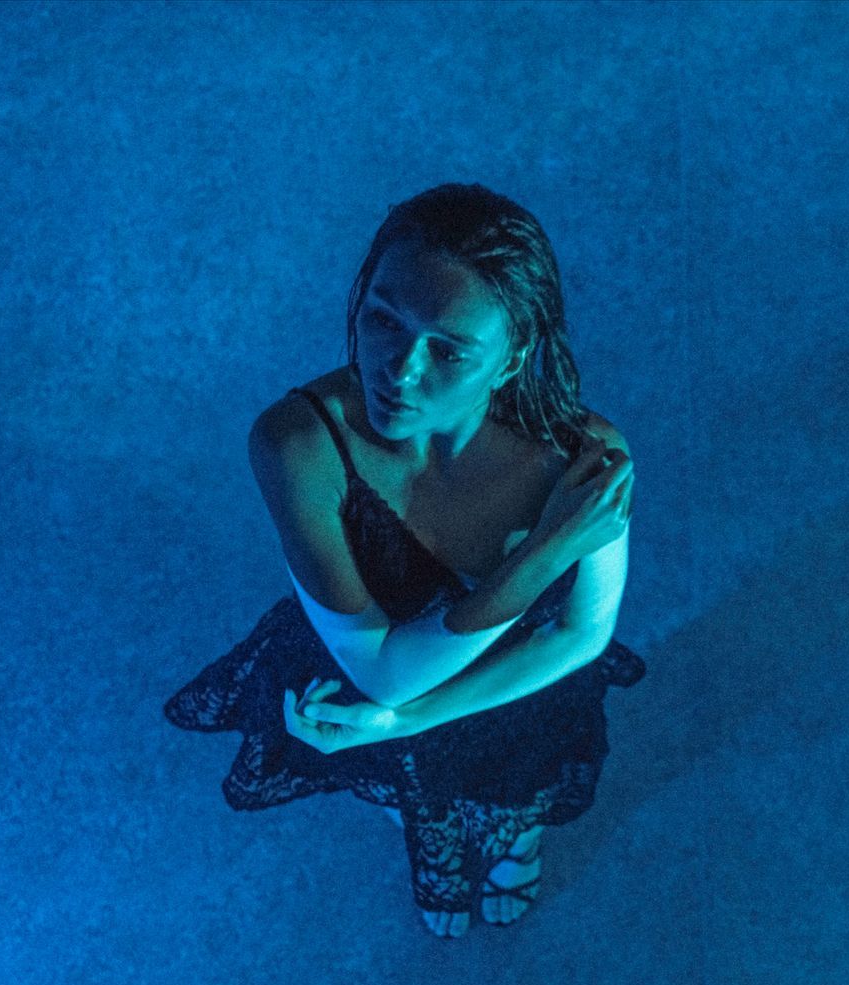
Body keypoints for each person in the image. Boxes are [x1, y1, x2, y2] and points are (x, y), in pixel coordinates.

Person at [163, 183, 645, 940]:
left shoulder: (586, 461)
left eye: (449, 349)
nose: (398, 368)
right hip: (373, 673)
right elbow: (382, 672)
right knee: (418, 792)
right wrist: (548, 550)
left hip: (516, 684)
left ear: (513, 354)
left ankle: (512, 836)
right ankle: (440, 840)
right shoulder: (297, 444)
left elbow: (580, 638)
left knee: (517, 785)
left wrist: (397, 721)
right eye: (382, 319)